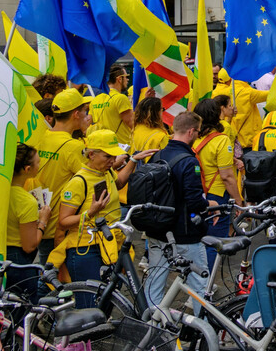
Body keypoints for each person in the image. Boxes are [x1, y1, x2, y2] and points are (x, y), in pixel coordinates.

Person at [56, 130, 150, 307]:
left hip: (109, 245)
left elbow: (119, 183)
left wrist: (133, 161)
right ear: (91, 154)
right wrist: (90, 213)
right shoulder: (78, 182)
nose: (113, 161)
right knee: (89, 305)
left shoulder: (106, 173)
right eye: (108, 156)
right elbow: (63, 221)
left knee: (108, 298)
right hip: (85, 249)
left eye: (114, 156)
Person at [144, 111, 211, 312]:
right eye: (198, 132)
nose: (198, 136)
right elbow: (193, 200)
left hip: (157, 229)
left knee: (155, 281)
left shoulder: (157, 155)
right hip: (184, 234)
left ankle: (153, 324)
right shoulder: (189, 161)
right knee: (199, 283)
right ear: (191, 131)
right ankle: (203, 331)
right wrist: (207, 206)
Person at [34, 88, 93, 264]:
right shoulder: (73, 147)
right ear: (76, 114)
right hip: (57, 226)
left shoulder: (40, 135)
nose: (86, 115)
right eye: (85, 111)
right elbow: (92, 177)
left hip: (37, 219)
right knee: (52, 278)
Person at [192, 99, 244, 272]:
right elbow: (227, 176)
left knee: (199, 239)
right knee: (215, 241)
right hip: (217, 195)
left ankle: (197, 280)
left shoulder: (194, 138)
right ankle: (207, 284)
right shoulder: (221, 141)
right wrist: (238, 200)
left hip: (197, 193)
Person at [7, 144, 51, 299]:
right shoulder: (26, 201)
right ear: (27, 169)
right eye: (38, 162)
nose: (40, 165)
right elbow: (29, 245)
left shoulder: (0, 191)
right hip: (18, 262)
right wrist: (43, 221)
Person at [89, 64, 135, 145]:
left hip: (102, 146)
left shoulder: (95, 100)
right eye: (126, 77)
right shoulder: (121, 98)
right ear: (119, 79)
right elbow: (133, 124)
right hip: (121, 147)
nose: (127, 80)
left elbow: (88, 122)